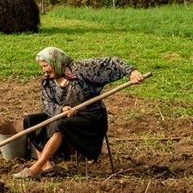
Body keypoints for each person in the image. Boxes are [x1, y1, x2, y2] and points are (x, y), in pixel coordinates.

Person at [13, 47, 145, 180]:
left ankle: (36, 168)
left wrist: (131, 71)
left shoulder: (82, 69)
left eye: (46, 66)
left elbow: (111, 62)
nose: (44, 70)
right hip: (65, 115)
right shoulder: (49, 81)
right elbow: (47, 103)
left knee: (61, 124)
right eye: (42, 66)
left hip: (91, 117)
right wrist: (62, 109)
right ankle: (47, 166)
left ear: (56, 62)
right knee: (30, 120)